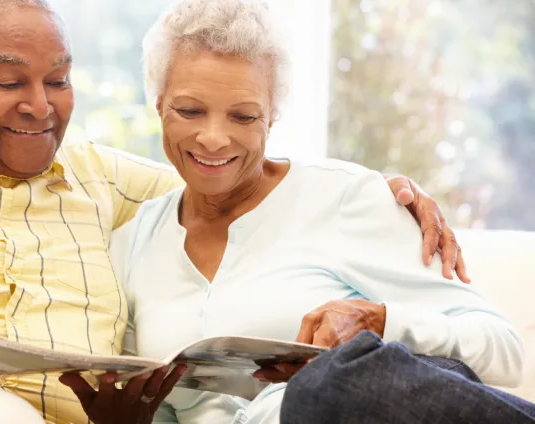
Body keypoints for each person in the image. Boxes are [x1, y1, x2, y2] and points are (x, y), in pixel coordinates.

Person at [0, 0, 470, 423]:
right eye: (9, 81)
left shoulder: (103, 180)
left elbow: (225, 167)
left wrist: (384, 187)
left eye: (58, 81)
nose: (40, 106)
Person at [59, 0, 533, 423]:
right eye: (189, 111)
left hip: (338, 407)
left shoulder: (346, 198)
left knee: (328, 385)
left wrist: (380, 321)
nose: (213, 138)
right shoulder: (132, 244)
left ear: (273, 116)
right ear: (159, 104)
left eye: (243, 116)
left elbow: (503, 349)